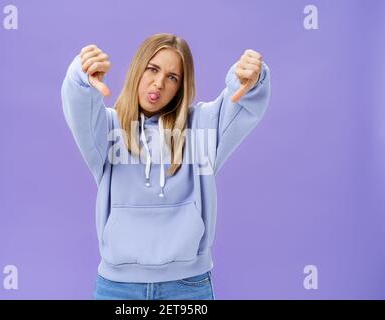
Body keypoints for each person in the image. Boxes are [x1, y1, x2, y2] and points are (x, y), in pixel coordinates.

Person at [61, 33, 271, 300]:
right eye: (152, 69)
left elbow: (240, 101)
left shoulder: (200, 129)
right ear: (138, 68)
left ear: (181, 87)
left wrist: (251, 80)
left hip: (186, 286)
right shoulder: (107, 129)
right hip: (117, 288)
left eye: (172, 77)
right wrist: (81, 78)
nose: (158, 83)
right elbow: (79, 108)